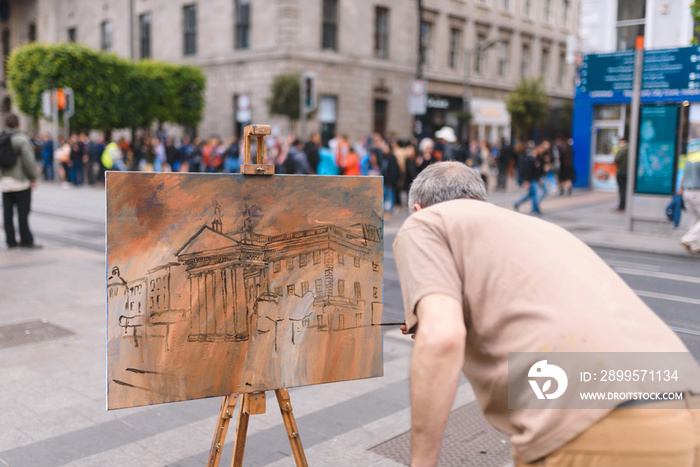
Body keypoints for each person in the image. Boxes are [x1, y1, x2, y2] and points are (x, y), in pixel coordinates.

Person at [393, 161, 700, 467]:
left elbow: (442, 339)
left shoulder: (426, 222)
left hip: (598, 419)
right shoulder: (535, 227)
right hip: (684, 393)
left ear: (419, 208)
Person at [1, 113, 41, 249]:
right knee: (23, 213)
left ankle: (10, 240)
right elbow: (28, 161)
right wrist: (33, 177)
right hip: (21, 182)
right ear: (18, 124)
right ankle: (26, 240)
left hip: (5, 183)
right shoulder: (21, 139)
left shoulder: (2, 137)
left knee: (7, 214)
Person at [680, 149, 700, 254]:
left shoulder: (692, 157)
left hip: (687, 191)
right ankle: (688, 239)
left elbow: (683, 175)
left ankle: (695, 246)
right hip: (697, 192)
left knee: (694, 220)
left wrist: (680, 190)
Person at [614, 138, 628, 211]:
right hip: (629, 173)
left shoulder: (622, 150)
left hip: (621, 172)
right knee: (626, 189)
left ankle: (622, 206)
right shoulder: (632, 149)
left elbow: (616, 159)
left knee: (622, 190)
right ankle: (626, 205)